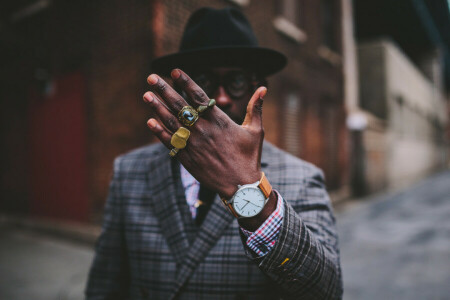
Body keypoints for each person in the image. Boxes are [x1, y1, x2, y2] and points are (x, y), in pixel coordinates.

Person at [86, 7, 343, 300]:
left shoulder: (303, 178)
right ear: (181, 91)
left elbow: (328, 290)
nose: (219, 98)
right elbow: (104, 286)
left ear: (256, 89)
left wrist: (248, 189)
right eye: (204, 82)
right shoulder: (129, 171)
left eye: (235, 82)